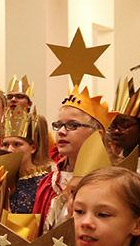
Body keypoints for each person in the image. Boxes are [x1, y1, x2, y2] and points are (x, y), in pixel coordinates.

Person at [34, 88, 112, 233]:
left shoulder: (110, 183)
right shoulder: (48, 182)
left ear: (97, 134)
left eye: (72, 125)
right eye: (58, 125)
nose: (61, 131)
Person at [0, 107, 53, 216]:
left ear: (33, 148)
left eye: (17, 144)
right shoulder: (0, 180)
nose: (10, 150)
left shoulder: (44, 183)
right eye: (5, 145)